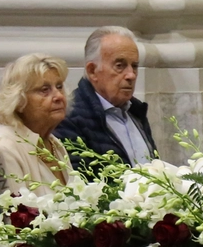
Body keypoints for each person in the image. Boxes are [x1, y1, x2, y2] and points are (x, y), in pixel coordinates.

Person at [55, 26, 156, 167]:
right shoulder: (70, 117)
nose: (131, 75)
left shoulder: (136, 112)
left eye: (134, 66)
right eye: (120, 65)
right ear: (92, 71)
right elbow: (81, 182)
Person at [0, 53, 73, 193]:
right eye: (44, 90)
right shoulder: (3, 148)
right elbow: (16, 213)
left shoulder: (55, 144)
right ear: (18, 100)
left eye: (59, 86)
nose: (59, 96)